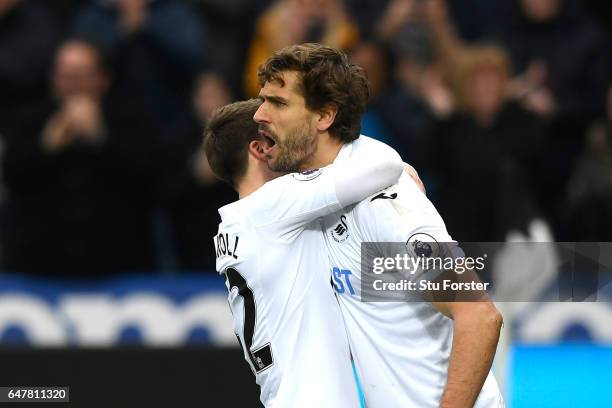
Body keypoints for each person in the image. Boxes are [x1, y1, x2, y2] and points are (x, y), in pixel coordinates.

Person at [253, 43, 504, 407]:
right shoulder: (318, 194)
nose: (260, 113)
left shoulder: (382, 204)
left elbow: (479, 317)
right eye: (262, 100)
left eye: (277, 103)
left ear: (324, 116)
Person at [204, 98, 407, 407]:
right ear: (260, 149)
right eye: (279, 130)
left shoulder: (234, 224)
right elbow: (386, 166)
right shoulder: (275, 202)